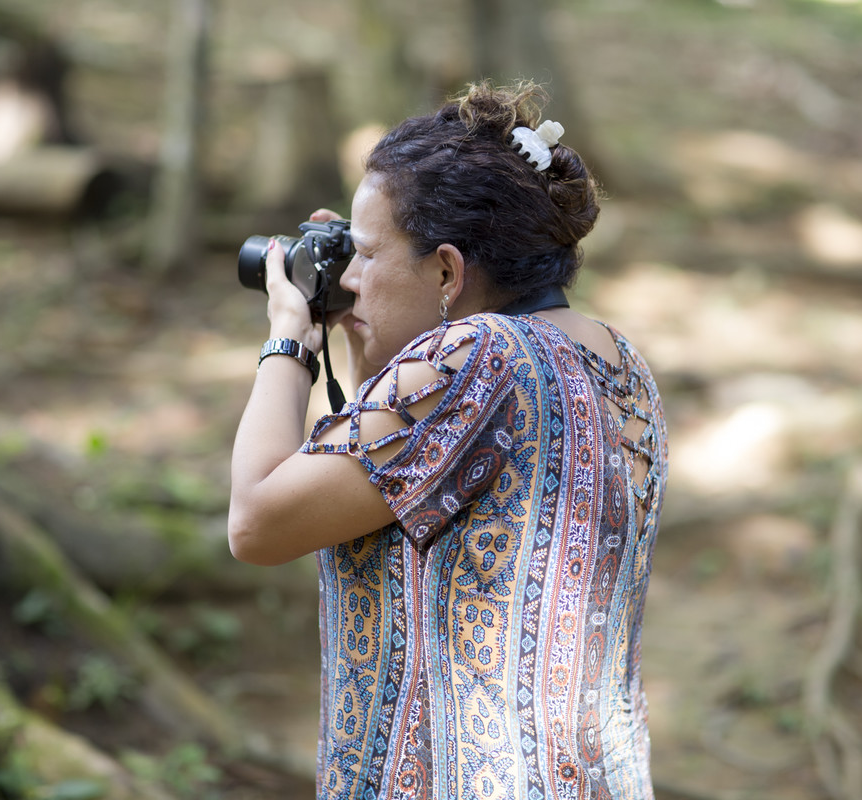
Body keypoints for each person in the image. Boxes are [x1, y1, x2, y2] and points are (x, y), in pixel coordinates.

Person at [228, 81, 668, 800]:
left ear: (447, 270)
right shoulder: (616, 360)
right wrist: (366, 332)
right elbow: (401, 467)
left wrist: (289, 338)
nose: (351, 278)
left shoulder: (476, 357)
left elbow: (256, 522)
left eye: (367, 255)